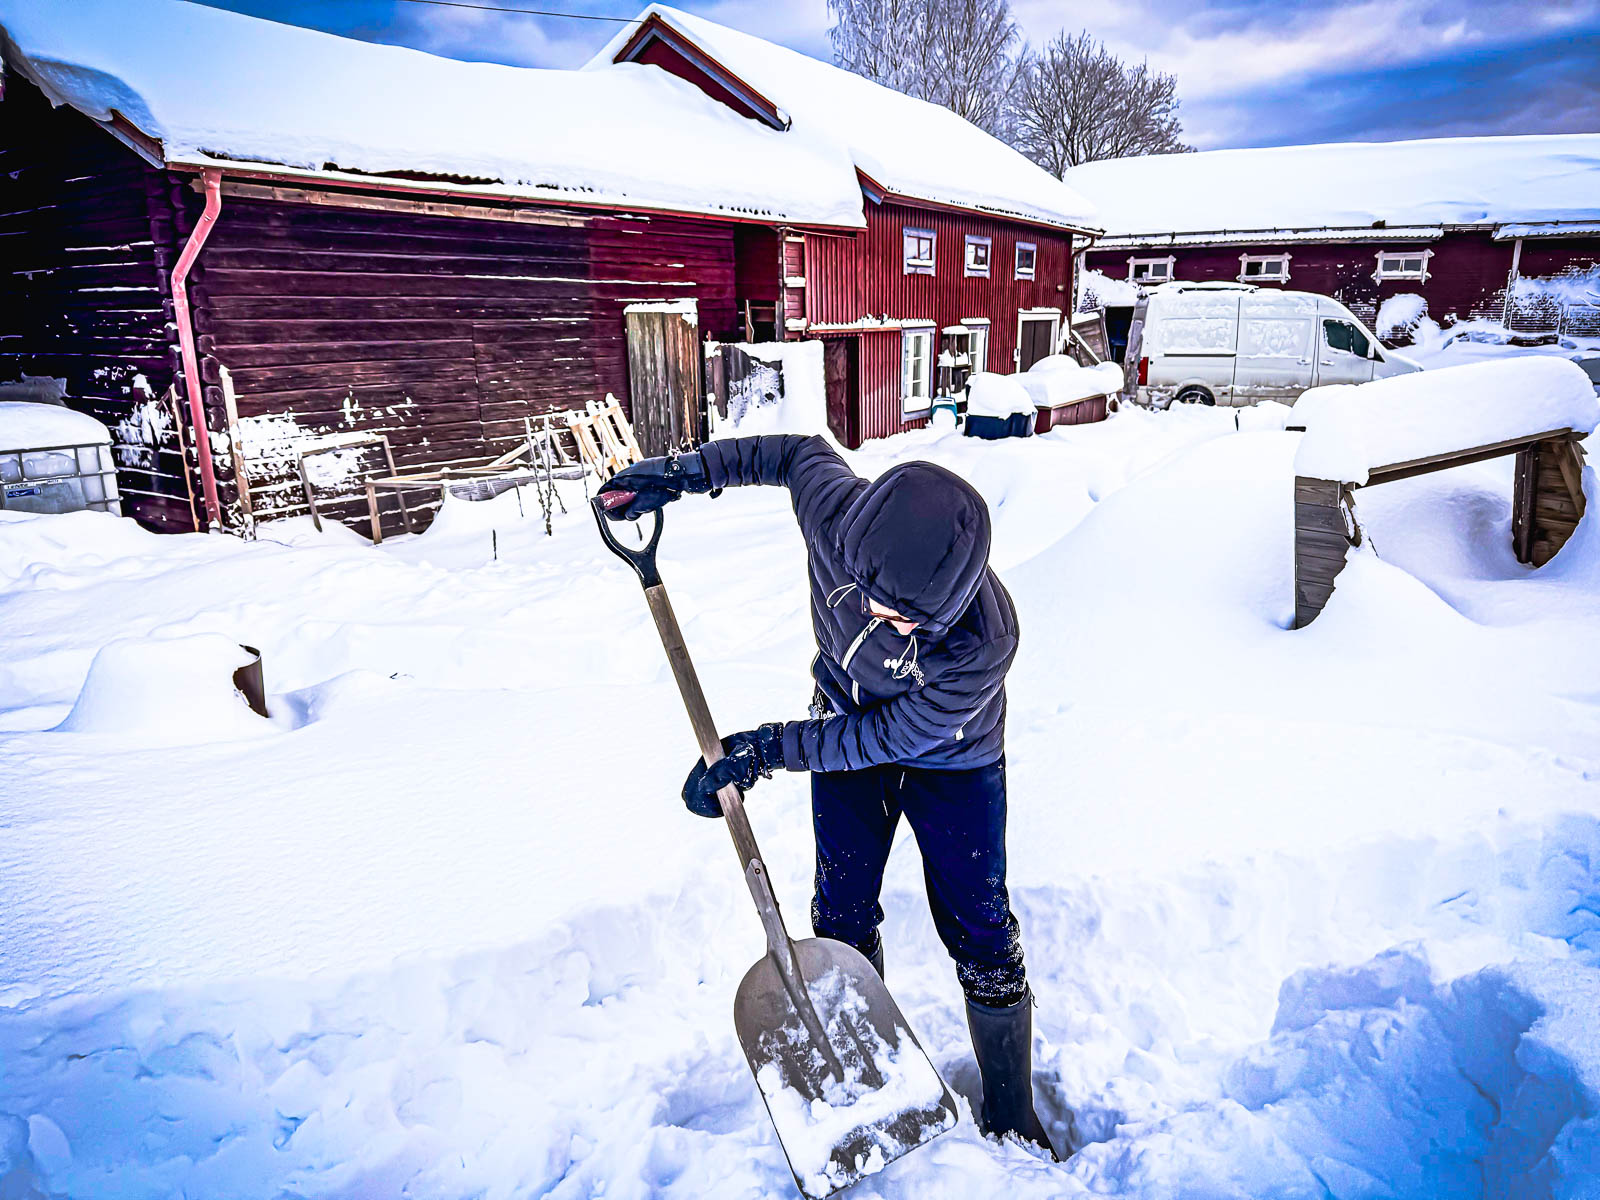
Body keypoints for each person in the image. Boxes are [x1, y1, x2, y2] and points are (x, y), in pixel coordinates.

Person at [599, 434, 1052, 1154]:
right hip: (842, 722)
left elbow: (889, 738)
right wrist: (685, 474)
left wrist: (768, 749)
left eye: (900, 616)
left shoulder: (983, 640)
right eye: (868, 593)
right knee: (839, 912)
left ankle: (1010, 1110)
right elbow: (792, 453)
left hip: (953, 762)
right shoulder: (839, 516)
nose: (874, 615)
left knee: (982, 929)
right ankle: (863, 1072)